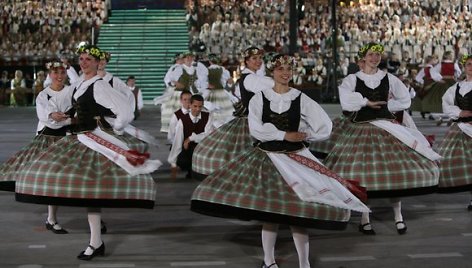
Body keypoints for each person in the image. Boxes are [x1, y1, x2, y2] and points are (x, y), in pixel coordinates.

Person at [191, 54, 369, 268]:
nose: (285, 73)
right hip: (269, 159)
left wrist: (306, 135)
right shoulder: (260, 98)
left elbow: (324, 125)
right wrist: (284, 135)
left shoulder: (300, 98)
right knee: (271, 214)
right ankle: (269, 260)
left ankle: (304, 264)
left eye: (288, 69)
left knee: (298, 214)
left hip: (296, 158)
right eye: (280, 69)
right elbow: (255, 128)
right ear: (272, 72)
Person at [14, 44, 160, 260]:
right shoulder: (81, 83)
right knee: (85, 192)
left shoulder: (99, 85)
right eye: (81, 59)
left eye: (88, 59)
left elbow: (125, 112)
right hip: (79, 138)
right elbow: (80, 109)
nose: (83, 62)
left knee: (91, 193)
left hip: (94, 140)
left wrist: (113, 126)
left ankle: (94, 242)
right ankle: (92, 239)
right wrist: (66, 117)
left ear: (96, 63)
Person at [324, 43, 441, 235]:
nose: (374, 58)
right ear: (363, 58)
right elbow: (346, 100)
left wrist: (388, 106)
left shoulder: (389, 78)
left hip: (385, 129)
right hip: (361, 130)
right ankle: (365, 218)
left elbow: (405, 99)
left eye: (377, 55)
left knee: (394, 172)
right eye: (371, 55)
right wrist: (365, 102)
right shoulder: (353, 79)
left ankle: (398, 216)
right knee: (363, 173)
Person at [0, 61, 72, 234]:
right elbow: (44, 116)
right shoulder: (43, 95)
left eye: (62, 72)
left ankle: (92, 217)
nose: (59, 76)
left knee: (67, 178)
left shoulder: (71, 91)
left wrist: (66, 118)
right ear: (50, 74)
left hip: (67, 137)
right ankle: (52, 218)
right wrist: (56, 116)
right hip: (47, 138)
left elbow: (73, 112)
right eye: (56, 73)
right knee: (50, 178)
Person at [191, 46, 273, 180]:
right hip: (252, 118)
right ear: (246, 61)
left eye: (260, 58)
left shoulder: (253, 77)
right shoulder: (251, 78)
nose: (258, 61)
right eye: (254, 58)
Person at [436, 54, 472, 209]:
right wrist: (459, 113)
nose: (471, 67)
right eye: (469, 64)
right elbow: (447, 103)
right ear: (464, 67)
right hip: (460, 128)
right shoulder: (456, 87)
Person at [168, 94, 213, 179]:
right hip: (188, 150)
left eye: (200, 106)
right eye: (195, 106)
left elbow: (208, 135)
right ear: (190, 105)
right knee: (182, 158)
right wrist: (173, 163)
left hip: (203, 148)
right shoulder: (183, 121)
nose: (198, 109)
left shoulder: (208, 116)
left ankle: (197, 171)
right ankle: (190, 169)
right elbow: (177, 142)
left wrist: (191, 138)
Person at [204, 53, 235, 127]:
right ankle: (224, 126)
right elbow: (230, 81)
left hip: (210, 92)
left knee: (210, 110)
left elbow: (203, 82)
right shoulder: (222, 69)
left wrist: (207, 85)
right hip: (221, 92)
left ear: (210, 61)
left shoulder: (206, 70)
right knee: (225, 111)